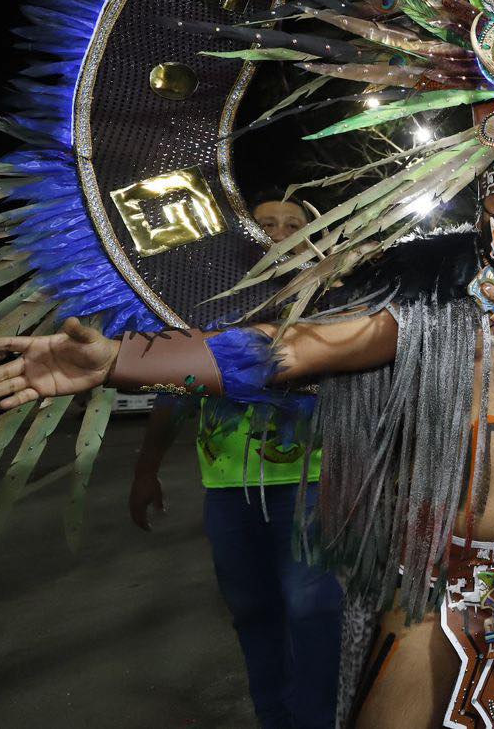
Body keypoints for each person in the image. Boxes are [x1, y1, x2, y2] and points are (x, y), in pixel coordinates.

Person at [0, 139, 494, 729]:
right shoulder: (428, 313)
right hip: (438, 574)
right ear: (482, 214)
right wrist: (120, 360)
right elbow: (287, 350)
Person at [128, 197, 342, 729]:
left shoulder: (333, 305)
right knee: (252, 613)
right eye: (265, 223)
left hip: (309, 486)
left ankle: (317, 719)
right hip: (227, 490)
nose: (278, 233)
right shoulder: (205, 309)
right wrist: (145, 468)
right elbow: (172, 391)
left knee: (314, 613)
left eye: (295, 226)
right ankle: (275, 718)